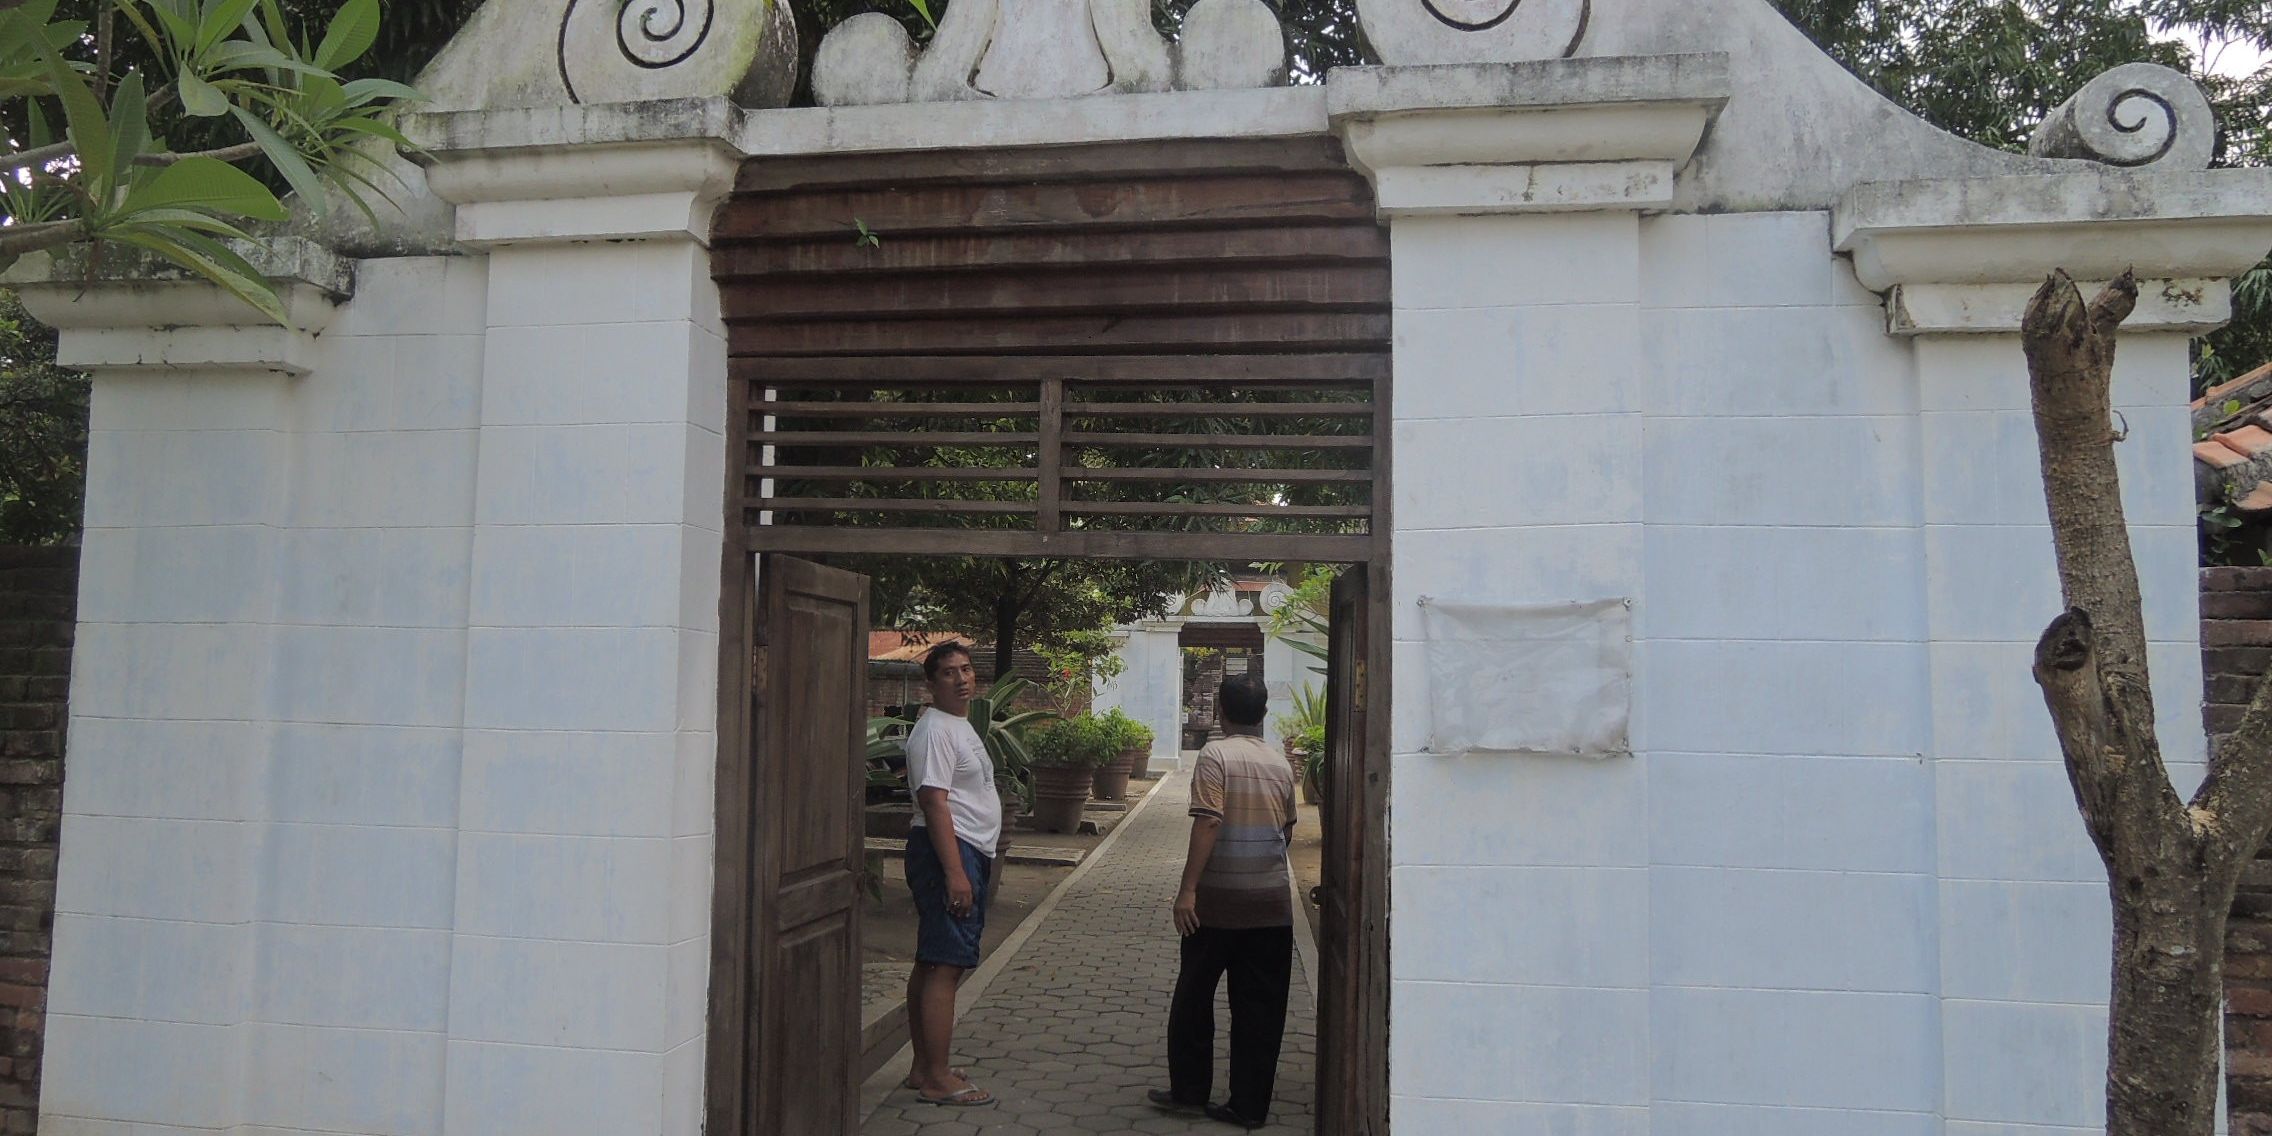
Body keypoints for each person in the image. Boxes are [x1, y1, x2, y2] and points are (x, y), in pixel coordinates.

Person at [1149, 672, 1297, 1130]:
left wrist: (1187, 889)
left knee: (1194, 995)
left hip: (1216, 904)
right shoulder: (1280, 762)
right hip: (1271, 906)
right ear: (1265, 714)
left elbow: (1208, 821)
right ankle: (1248, 1106)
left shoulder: (1214, 755)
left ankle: (1190, 1091)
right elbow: (1287, 830)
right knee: (1260, 1010)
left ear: (1220, 713)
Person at [901, 640, 999, 1108]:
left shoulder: (956, 725)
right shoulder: (935, 730)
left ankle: (924, 1066)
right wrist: (955, 872)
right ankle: (938, 1078)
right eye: (948, 673)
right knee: (946, 965)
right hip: (950, 852)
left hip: (966, 849)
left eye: (966, 669)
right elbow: (934, 801)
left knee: (932, 961)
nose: (962, 679)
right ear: (931, 683)